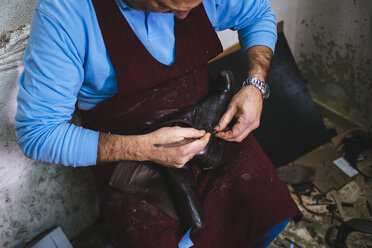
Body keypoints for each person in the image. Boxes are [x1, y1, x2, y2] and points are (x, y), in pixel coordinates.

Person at [15, 0, 302, 247]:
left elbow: (257, 13)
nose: (184, 19)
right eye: (167, 6)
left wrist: (255, 84)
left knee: (267, 214)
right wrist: (145, 149)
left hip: (211, 128)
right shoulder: (67, 14)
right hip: (133, 160)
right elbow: (38, 133)